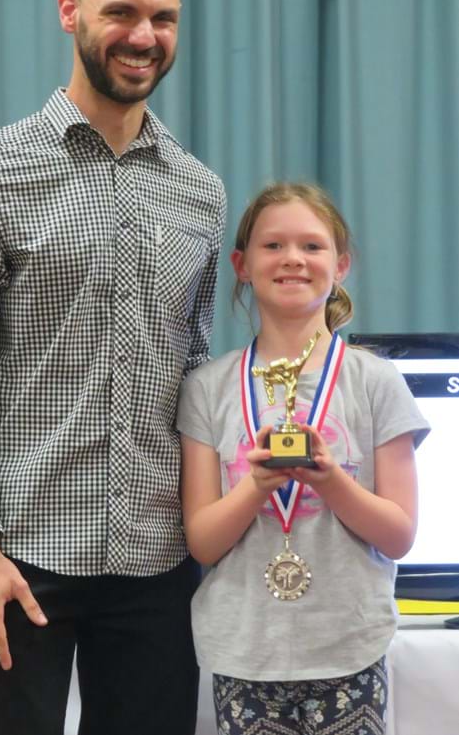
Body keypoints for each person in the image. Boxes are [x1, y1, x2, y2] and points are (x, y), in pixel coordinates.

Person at [0, 0, 226, 735]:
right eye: (121, 11)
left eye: (163, 17)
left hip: (159, 563)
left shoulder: (200, 191)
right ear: (70, 12)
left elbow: (193, 366)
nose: (142, 35)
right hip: (20, 559)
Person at [176, 183, 428, 735]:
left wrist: (332, 479)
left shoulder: (376, 382)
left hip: (349, 646)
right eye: (273, 246)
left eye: (312, 247)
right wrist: (257, 485)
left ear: (341, 265)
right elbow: (204, 540)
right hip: (244, 651)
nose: (293, 258)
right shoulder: (207, 389)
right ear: (242, 265)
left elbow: (399, 535)